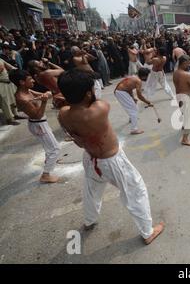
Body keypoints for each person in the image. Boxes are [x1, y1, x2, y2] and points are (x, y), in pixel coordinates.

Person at [57, 68, 164, 245]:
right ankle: (147, 232)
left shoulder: (63, 114)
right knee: (136, 191)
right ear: (87, 93)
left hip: (90, 158)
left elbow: (74, 122)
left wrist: (68, 97)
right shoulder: (99, 108)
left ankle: (89, 221)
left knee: (92, 191)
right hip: (113, 161)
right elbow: (94, 101)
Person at [9, 69, 61, 183]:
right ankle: (46, 175)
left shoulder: (28, 91)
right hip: (38, 124)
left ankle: (49, 162)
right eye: (29, 79)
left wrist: (47, 94)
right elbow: (37, 115)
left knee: (49, 148)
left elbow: (46, 94)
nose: (33, 80)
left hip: (40, 123)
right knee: (55, 149)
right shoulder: (22, 98)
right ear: (22, 82)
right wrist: (43, 101)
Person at [115, 68, 154, 135]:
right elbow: (140, 96)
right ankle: (134, 129)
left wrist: (132, 97)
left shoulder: (133, 77)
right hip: (121, 92)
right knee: (134, 110)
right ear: (143, 76)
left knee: (134, 105)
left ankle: (131, 119)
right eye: (147, 76)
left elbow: (129, 88)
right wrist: (148, 102)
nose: (147, 78)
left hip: (121, 91)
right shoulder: (138, 81)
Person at [0, 59, 25, 125]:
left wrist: (17, 70)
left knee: (13, 99)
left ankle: (15, 114)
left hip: (9, 82)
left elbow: (10, 66)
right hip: (1, 83)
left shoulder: (0, 59)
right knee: (5, 102)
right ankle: (9, 119)